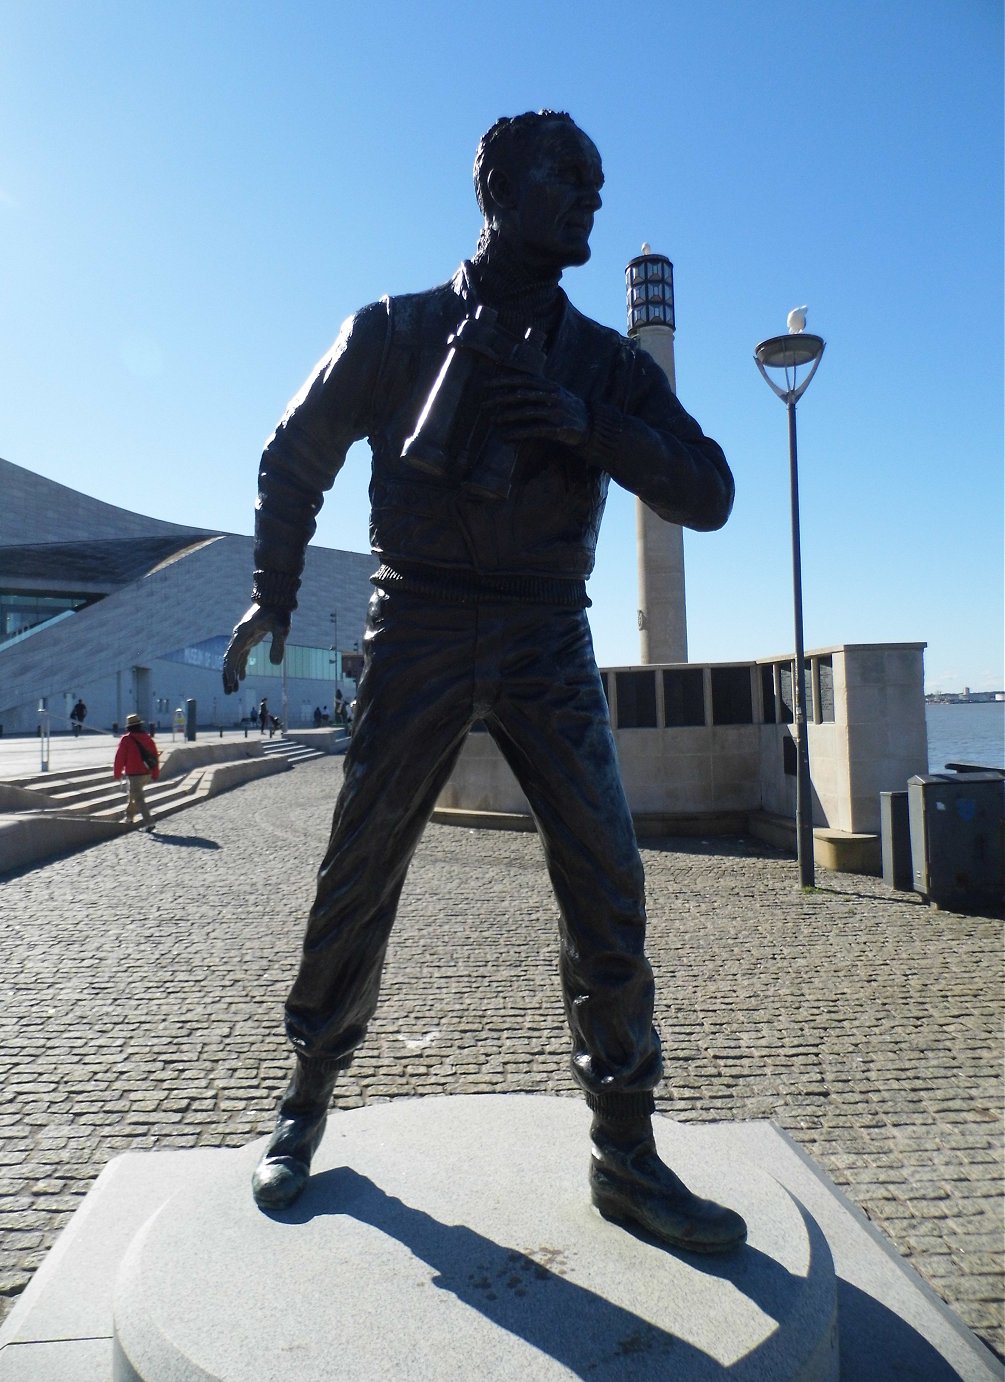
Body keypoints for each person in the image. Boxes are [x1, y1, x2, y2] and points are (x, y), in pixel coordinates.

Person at [223, 111, 744, 1253]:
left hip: (546, 629)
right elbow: (293, 453)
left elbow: (708, 490)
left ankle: (625, 1152)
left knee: (605, 877)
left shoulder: (603, 361)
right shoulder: (396, 328)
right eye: (572, 181)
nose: (592, 202)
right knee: (358, 862)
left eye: (600, 187)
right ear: (499, 187)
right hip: (413, 616)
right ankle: (302, 1098)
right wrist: (270, 584)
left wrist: (584, 423)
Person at [113, 712, 159, 832]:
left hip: (134, 775)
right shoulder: (147, 738)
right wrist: (155, 773)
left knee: (138, 798)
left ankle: (149, 823)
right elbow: (154, 756)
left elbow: (120, 757)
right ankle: (128, 817)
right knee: (133, 794)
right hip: (147, 774)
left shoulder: (126, 739)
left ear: (128, 727)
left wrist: (117, 773)